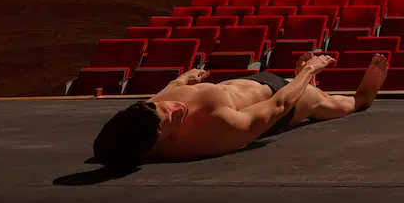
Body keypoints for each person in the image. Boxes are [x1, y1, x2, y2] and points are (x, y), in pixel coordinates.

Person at [91, 50, 388, 167]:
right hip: (276, 98)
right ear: (161, 139)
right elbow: (278, 105)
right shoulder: (218, 130)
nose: (175, 106)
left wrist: (182, 79)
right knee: (337, 104)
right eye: (173, 116)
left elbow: (164, 94)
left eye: (163, 107)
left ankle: (299, 78)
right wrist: (308, 72)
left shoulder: (142, 118)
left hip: (246, 83)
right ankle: (363, 96)